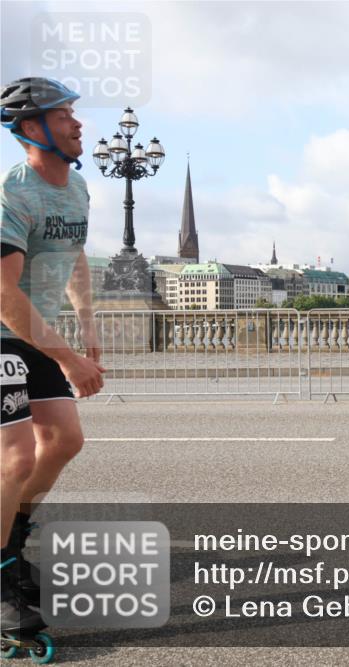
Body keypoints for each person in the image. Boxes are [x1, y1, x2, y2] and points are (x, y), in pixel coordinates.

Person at [1, 77, 105, 626]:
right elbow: (2, 292)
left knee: (64, 440)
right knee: (16, 456)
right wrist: (67, 358)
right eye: (63, 114)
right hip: (2, 331)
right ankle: (1, 581)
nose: (78, 122)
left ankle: (11, 538)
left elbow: (75, 255)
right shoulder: (11, 194)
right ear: (32, 128)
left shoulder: (78, 188)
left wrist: (86, 324)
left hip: (38, 330)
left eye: (73, 112)